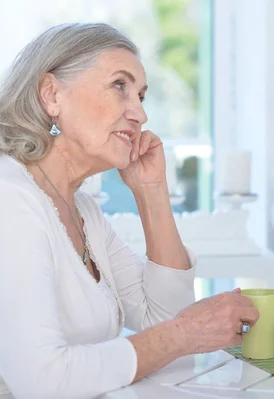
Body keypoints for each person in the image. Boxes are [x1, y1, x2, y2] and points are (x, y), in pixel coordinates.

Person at [0, 23, 259, 398]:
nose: (140, 114)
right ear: (52, 94)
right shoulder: (10, 197)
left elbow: (163, 320)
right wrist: (186, 333)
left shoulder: (82, 211)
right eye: (119, 86)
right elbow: (41, 381)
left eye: (141, 95)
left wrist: (151, 192)